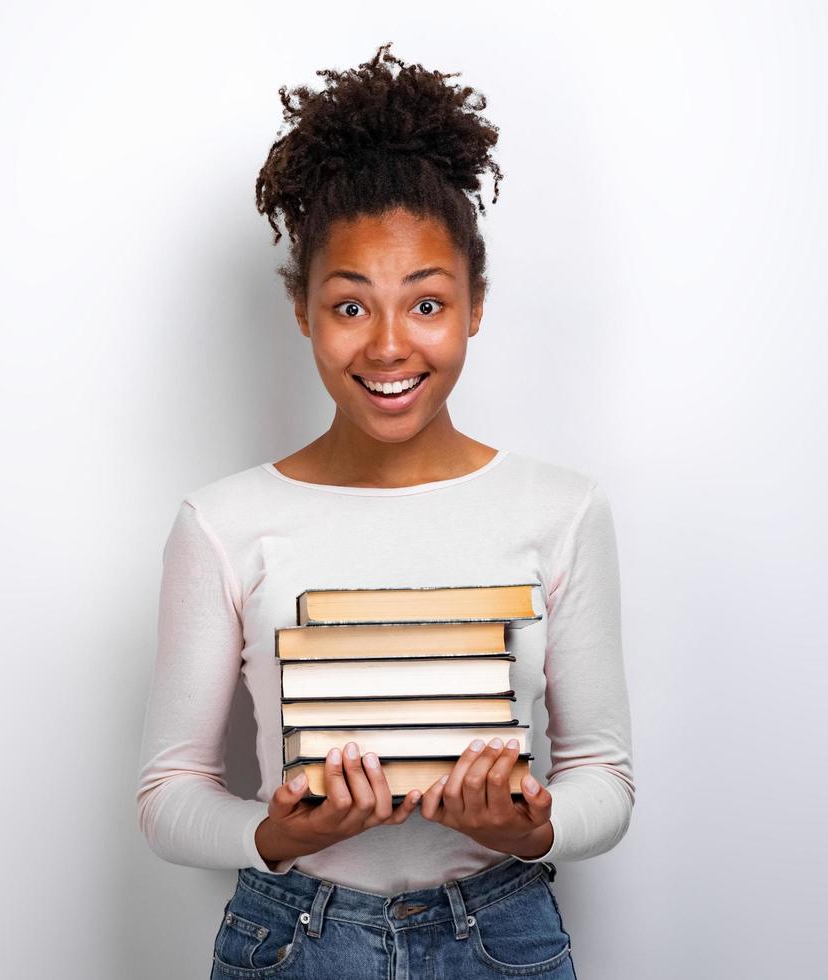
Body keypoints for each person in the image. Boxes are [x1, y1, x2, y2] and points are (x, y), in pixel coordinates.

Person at [135, 42, 634, 979]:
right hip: (292, 939)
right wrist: (273, 835)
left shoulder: (561, 509)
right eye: (351, 306)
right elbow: (168, 797)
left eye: (428, 303)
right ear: (303, 312)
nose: (391, 346)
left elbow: (606, 774)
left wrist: (532, 827)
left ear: (474, 306)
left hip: (503, 935)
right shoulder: (221, 521)